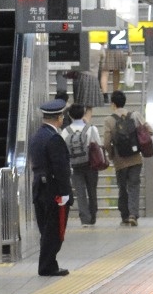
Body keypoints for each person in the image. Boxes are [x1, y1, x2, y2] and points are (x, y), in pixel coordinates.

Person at [29, 98, 74, 276]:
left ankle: (50, 263)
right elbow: (60, 168)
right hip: (54, 191)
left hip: (39, 188)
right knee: (54, 230)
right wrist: (65, 193)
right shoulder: (54, 138)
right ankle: (47, 266)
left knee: (46, 229)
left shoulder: (37, 136)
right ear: (59, 117)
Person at [104, 90, 149, 227]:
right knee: (134, 186)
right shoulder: (135, 116)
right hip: (135, 159)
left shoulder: (109, 120)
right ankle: (133, 215)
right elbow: (150, 131)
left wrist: (112, 155)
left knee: (122, 188)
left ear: (113, 104)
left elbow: (106, 143)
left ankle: (124, 215)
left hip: (120, 160)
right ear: (125, 102)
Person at [62, 103, 101, 226]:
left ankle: (84, 219)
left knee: (80, 192)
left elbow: (63, 150)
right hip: (91, 164)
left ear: (69, 115)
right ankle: (93, 216)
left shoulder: (65, 131)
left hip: (74, 166)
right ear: (84, 113)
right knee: (92, 190)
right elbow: (98, 145)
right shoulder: (91, 128)